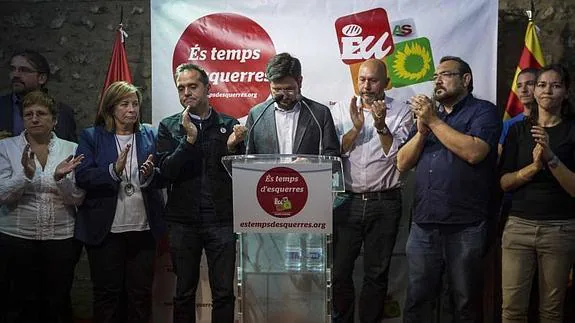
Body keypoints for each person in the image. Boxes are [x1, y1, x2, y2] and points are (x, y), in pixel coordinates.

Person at [397, 56, 501, 322]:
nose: (438, 81)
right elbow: (402, 162)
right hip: (424, 224)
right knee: (417, 299)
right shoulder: (430, 118)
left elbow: (475, 152)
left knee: (464, 302)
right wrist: (421, 131)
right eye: (435, 77)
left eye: (445, 75)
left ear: (465, 80)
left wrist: (432, 121)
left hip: (465, 224)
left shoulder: (483, 111)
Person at [157, 63, 245, 323]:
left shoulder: (229, 125)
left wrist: (231, 149)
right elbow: (166, 173)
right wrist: (189, 140)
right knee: (184, 292)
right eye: (181, 88)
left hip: (221, 220)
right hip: (182, 222)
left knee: (223, 293)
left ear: (208, 88)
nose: (186, 93)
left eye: (192, 86)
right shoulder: (169, 125)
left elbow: (241, 175)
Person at [74, 81, 166, 323]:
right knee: (107, 295)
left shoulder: (151, 135)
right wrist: (113, 171)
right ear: (110, 108)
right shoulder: (92, 136)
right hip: (106, 230)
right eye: (125, 104)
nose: (132, 109)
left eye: (135, 104)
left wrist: (152, 175)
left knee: (140, 295)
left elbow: (165, 173)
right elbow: (82, 176)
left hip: (143, 229)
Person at [329, 59, 413, 323]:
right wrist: (355, 129)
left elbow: (396, 154)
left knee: (376, 274)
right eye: (362, 79)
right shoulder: (341, 109)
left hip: (385, 203)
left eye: (373, 80)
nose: (366, 86)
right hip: (346, 201)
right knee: (340, 273)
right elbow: (334, 151)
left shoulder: (401, 111)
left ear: (386, 83)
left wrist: (379, 125)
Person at [0, 90, 84, 323]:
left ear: (54, 120)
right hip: (16, 238)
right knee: (18, 303)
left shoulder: (72, 149)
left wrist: (60, 179)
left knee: (57, 302)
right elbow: (2, 195)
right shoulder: (6, 148)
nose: (34, 118)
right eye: (28, 114)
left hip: (62, 238)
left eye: (41, 113)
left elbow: (78, 199)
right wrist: (25, 176)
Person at [499, 64, 575, 323]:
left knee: (552, 312)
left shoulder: (572, 131)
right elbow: (504, 183)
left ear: (565, 92)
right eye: (542, 85)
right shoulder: (517, 130)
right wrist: (532, 168)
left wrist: (551, 158)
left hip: (560, 230)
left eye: (555, 85)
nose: (547, 91)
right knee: (511, 310)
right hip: (518, 227)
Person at [243, 52, 340, 156]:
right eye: (277, 90)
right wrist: (232, 145)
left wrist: (311, 164)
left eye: (289, 89)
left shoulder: (320, 114)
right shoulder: (257, 114)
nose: (284, 95)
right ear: (269, 84)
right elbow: (247, 155)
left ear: (300, 82)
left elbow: (332, 154)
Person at [0, 49, 77, 141]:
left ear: (42, 78)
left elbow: (69, 149)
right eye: (13, 69)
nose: (15, 75)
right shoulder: (2, 106)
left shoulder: (62, 112)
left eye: (24, 70)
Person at [498, 68, 538, 158]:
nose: (523, 90)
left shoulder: (549, 121)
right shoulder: (508, 125)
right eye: (519, 85)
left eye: (530, 84)